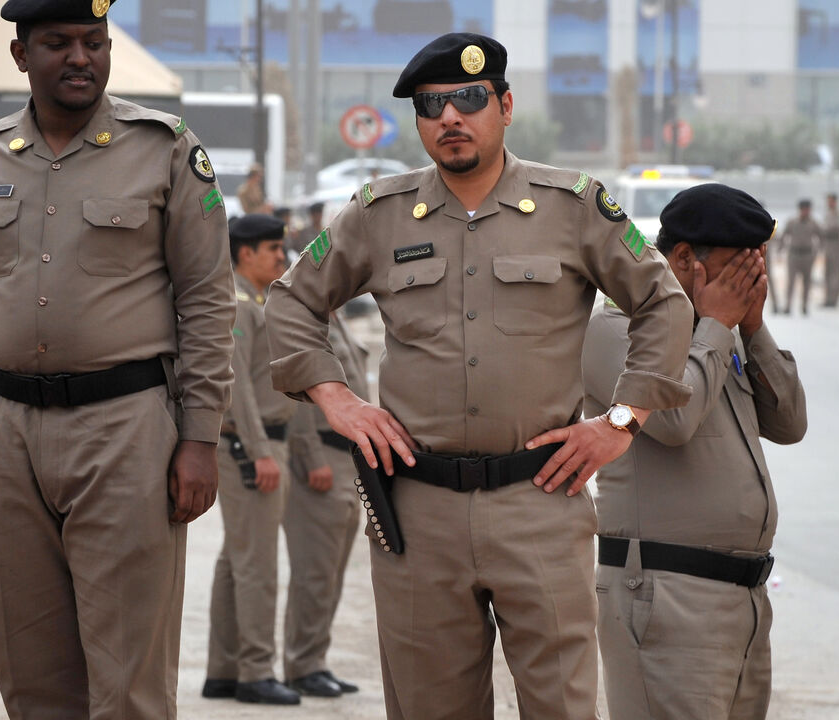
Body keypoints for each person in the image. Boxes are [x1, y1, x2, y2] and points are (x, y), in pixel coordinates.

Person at [265, 32, 694, 720]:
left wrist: (620, 422)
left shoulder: (573, 206)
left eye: (469, 99)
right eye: (432, 106)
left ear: (505, 106)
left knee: (562, 705)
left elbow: (665, 303)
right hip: (417, 509)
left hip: (541, 500)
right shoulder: (377, 213)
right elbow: (289, 301)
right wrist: (336, 399)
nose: (450, 118)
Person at [0, 1, 235, 717]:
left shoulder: (164, 148)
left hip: (124, 432)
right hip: (0, 434)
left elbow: (208, 303)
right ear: (20, 55)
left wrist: (199, 438)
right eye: (58, 42)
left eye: (93, 43)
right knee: (32, 677)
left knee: (128, 681)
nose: (80, 57)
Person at [583, 183, 807, 719]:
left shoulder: (719, 332)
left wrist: (752, 330)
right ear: (683, 258)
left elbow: (790, 422)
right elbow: (674, 419)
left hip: (742, 597)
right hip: (665, 594)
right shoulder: (618, 330)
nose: (748, 283)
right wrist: (718, 325)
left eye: (756, 270)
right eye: (736, 270)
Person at [202, 214, 301, 706]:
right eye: (273, 249)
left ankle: (223, 669)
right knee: (257, 563)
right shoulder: (238, 305)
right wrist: (260, 452)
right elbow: (234, 385)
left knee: (235, 560)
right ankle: (256, 671)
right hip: (249, 445)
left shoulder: (255, 300)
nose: (282, 257)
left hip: (256, 441)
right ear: (245, 254)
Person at [281, 307, 367, 697]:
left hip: (348, 459)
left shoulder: (339, 319)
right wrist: (311, 457)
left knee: (331, 572)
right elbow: (295, 400)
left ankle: (316, 661)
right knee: (313, 572)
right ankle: (301, 665)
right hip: (319, 461)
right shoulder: (304, 325)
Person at [775, 198, 820, 315]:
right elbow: (784, 235)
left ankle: (804, 306)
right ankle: (788, 305)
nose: (806, 212)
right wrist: (780, 249)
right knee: (791, 281)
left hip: (807, 255)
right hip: (794, 255)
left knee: (807, 282)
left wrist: (817, 251)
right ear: (800, 210)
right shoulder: (792, 222)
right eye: (804, 209)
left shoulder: (813, 223)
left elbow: (821, 236)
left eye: (808, 209)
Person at [822, 192, 839, 308]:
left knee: (835, 274)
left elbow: (836, 228)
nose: (829, 203)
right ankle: (827, 298)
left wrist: (825, 231)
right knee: (828, 273)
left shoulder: (838, 214)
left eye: (831, 201)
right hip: (828, 244)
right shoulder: (828, 213)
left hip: (836, 244)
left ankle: (833, 299)